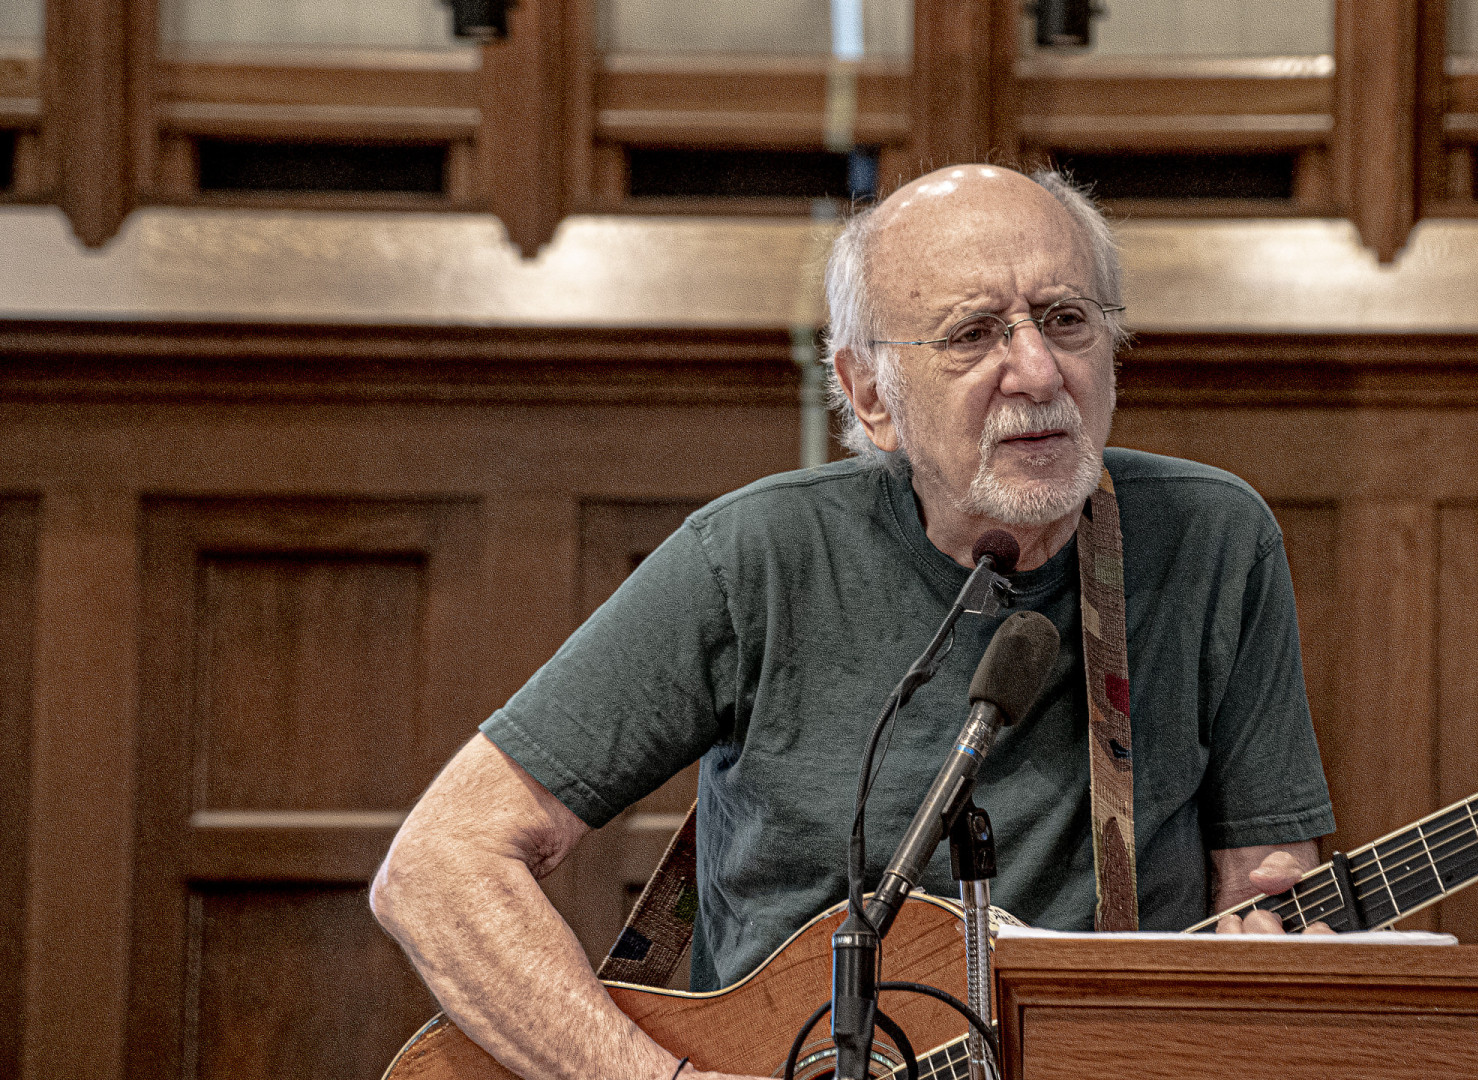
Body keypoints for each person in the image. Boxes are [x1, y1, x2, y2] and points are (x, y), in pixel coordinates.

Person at [370, 165, 1335, 1080]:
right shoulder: (753, 558)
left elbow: (1265, 890)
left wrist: (1279, 955)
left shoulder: (1213, 540)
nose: (1038, 370)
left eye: (1066, 319)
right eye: (973, 335)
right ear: (872, 395)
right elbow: (440, 865)